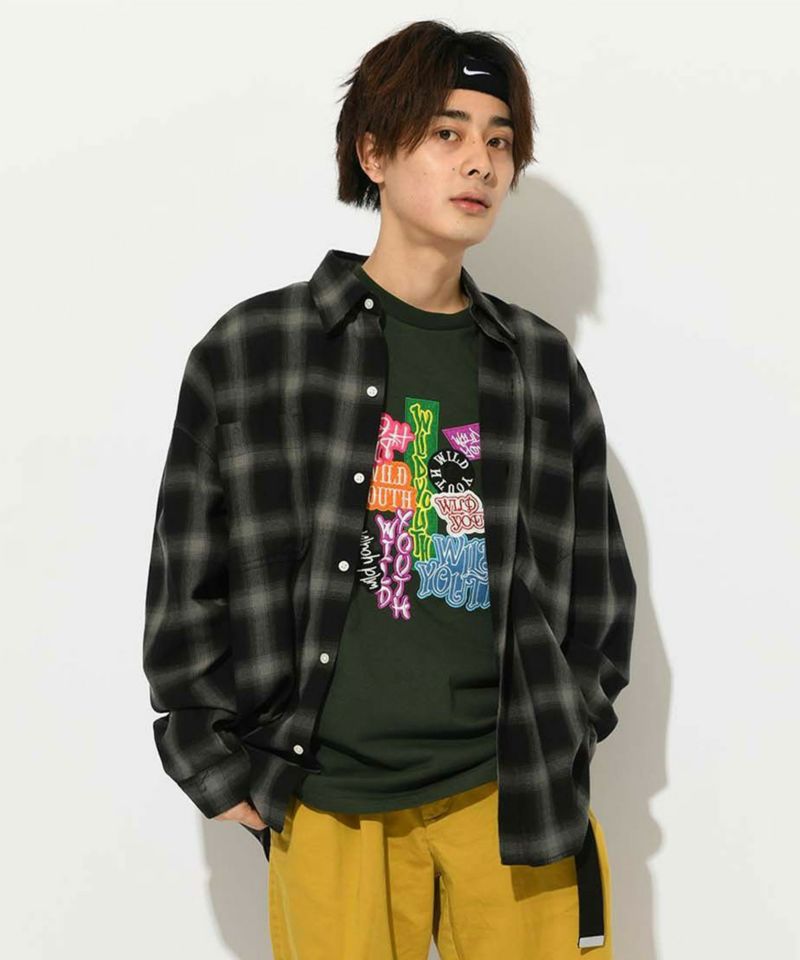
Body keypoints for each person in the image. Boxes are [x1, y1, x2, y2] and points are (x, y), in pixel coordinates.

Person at [142, 19, 637, 960]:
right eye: (447, 132)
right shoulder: (256, 352)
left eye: (499, 141)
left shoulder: (538, 365)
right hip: (328, 800)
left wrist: (569, 723)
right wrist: (207, 756)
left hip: (511, 795)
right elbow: (186, 575)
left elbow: (598, 588)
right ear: (373, 151)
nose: (480, 162)